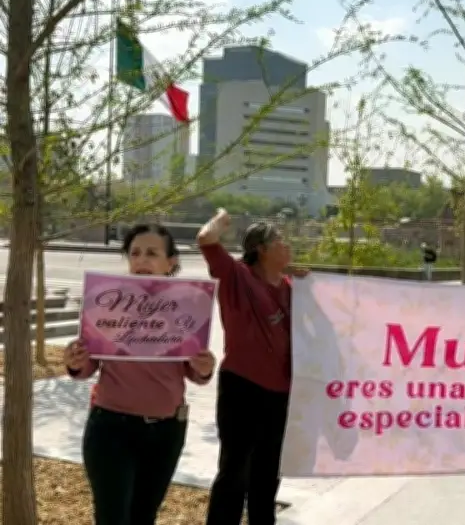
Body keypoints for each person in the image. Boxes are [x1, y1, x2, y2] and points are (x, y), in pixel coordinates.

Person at [63, 223, 217, 525]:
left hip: (166, 433)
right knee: (112, 517)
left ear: (170, 262)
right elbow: (87, 366)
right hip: (111, 430)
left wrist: (205, 368)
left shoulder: (188, 305)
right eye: (135, 253)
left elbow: (194, 370)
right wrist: (75, 360)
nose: (142, 260)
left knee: (143, 516)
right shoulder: (109, 301)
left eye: (151, 253)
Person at [199, 209, 307, 525]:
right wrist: (220, 216)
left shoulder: (292, 288)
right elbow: (206, 239)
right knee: (235, 471)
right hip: (242, 386)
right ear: (261, 248)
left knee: (269, 471)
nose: (287, 246)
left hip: (282, 392)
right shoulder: (237, 277)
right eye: (280, 241)